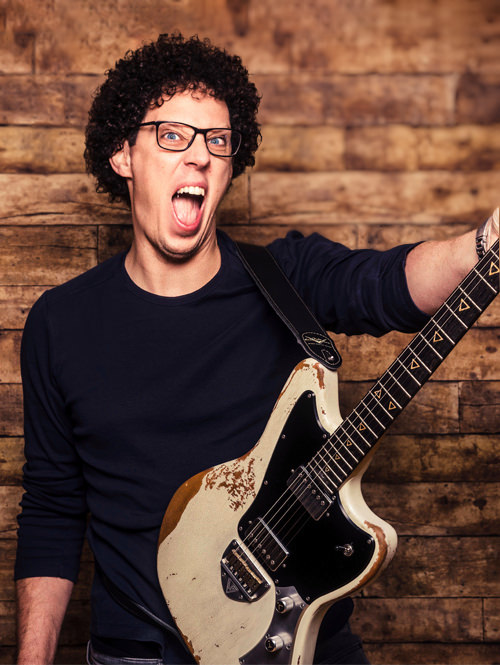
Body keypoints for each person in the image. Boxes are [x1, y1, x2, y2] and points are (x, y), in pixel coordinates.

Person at [14, 33, 498, 665]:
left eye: (216, 140)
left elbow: (392, 285)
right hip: (139, 651)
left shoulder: (283, 278)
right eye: (171, 135)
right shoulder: (61, 322)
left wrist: (484, 243)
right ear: (122, 154)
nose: (199, 157)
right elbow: (52, 509)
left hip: (300, 642)